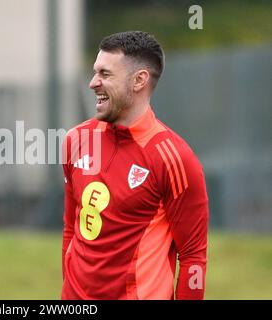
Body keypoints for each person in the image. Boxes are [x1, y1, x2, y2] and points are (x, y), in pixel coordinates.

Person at [61, 31, 209, 300]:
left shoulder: (173, 158)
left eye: (105, 74)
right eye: (95, 72)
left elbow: (193, 257)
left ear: (139, 80)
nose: (93, 83)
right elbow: (71, 230)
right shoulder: (76, 140)